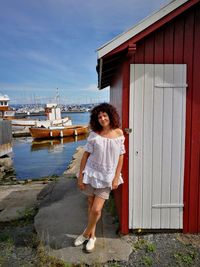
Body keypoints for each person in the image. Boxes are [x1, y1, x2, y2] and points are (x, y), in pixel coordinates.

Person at [74, 103, 125, 253]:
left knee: (96, 209)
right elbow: (85, 156)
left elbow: (121, 156)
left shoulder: (119, 133)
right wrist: (80, 176)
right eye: (99, 117)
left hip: (107, 177)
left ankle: (85, 234)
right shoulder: (94, 135)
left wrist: (116, 177)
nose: (102, 118)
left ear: (110, 115)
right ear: (97, 120)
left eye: (104, 115)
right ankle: (93, 236)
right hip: (91, 174)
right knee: (90, 205)